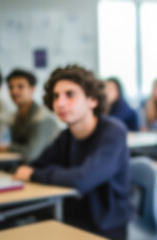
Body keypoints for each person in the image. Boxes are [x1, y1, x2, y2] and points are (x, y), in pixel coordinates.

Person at [13, 65, 132, 239]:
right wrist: (38, 172)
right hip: (69, 217)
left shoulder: (113, 132)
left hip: (105, 226)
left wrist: (35, 175)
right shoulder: (67, 136)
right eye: (55, 96)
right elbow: (35, 165)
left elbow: (83, 179)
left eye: (70, 94)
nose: (60, 103)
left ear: (92, 100)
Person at [0, 69, 59, 163]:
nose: (14, 91)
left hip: (45, 169)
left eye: (20, 86)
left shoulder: (43, 117)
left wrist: (8, 147)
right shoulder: (13, 117)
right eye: (10, 87)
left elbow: (32, 153)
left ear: (32, 89)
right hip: (23, 167)